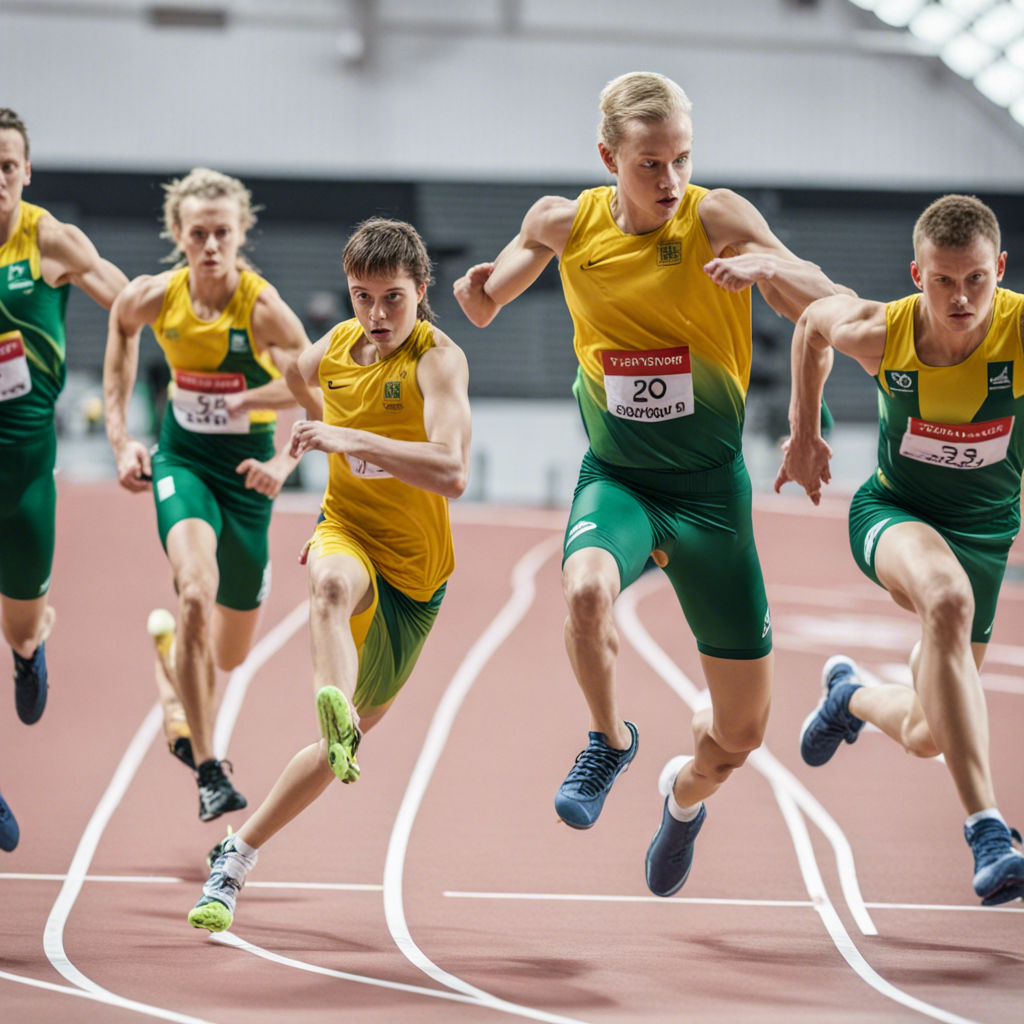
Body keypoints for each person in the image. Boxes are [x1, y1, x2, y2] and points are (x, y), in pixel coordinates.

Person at [453, 72, 847, 896]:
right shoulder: (563, 223)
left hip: (712, 499)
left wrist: (769, 264)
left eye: (681, 160)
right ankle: (609, 740)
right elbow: (487, 305)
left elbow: (829, 302)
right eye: (650, 164)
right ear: (609, 158)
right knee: (585, 591)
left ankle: (683, 795)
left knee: (739, 736)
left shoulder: (716, 217)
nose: (670, 180)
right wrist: (473, 293)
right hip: (621, 481)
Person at [188, 218, 470, 932]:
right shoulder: (338, 346)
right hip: (346, 528)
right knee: (330, 587)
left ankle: (237, 847)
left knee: (333, 754)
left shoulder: (438, 361)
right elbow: (295, 376)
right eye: (362, 297)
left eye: (393, 298)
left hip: (415, 577)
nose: (377, 315)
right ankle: (327, 712)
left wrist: (345, 435)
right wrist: (299, 424)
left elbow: (452, 471)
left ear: (422, 291)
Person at [776, 194, 1024, 906]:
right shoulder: (883, 331)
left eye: (976, 279)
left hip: (984, 535)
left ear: (1000, 269)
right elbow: (811, 326)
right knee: (945, 598)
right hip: (896, 515)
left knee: (927, 732)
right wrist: (805, 432)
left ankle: (849, 697)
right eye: (943, 281)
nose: (960, 297)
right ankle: (987, 831)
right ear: (917, 275)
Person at [104, 168, 312, 822]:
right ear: (178, 234)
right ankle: (208, 768)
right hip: (184, 461)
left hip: (247, 479)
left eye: (223, 232)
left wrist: (283, 460)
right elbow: (121, 329)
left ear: (242, 232)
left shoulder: (263, 309)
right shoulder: (154, 297)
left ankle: (174, 678)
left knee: (229, 653)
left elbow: (318, 383)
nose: (211, 246)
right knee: (195, 590)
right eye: (198, 234)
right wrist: (122, 440)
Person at [0, 108, 128, 851]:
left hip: (24, 470)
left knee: (19, 620)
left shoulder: (49, 240)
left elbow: (130, 304)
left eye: (6, 166)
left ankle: (27, 650)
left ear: (25, 171)